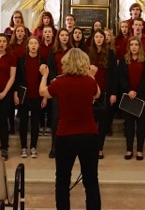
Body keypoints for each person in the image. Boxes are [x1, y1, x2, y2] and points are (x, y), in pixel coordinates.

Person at [39, 48, 102, 210]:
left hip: (65, 135)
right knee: (91, 180)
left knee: (62, 180)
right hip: (89, 135)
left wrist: (45, 75)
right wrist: (92, 75)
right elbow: (97, 94)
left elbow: (42, 92)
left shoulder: (60, 82)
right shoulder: (89, 82)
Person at [119, 36, 145, 160]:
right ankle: (129, 149)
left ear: (140, 46)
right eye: (132, 44)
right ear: (129, 46)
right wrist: (129, 91)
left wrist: (137, 92)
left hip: (142, 96)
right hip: (128, 96)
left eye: (136, 44)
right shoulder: (124, 59)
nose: (134, 47)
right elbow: (121, 77)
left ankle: (139, 150)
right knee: (128, 125)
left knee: (141, 125)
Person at [88, 29, 118, 158]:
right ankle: (91, 147)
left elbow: (114, 75)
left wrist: (113, 93)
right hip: (91, 92)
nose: (99, 39)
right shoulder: (89, 53)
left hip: (106, 91)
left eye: (101, 37)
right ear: (93, 39)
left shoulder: (110, 53)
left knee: (103, 122)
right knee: (91, 122)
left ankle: (99, 148)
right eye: (96, 37)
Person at [15, 36, 46, 158]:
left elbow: (46, 80)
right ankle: (23, 147)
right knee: (23, 122)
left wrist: (45, 97)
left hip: (37, 95)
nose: (33, 45)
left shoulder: (43, 61)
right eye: (31, 43)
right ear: (27, 46)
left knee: (35, 122)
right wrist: (15, 93)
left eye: (35, 43)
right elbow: (17, 78)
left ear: (38, 46)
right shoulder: (21, 60)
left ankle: (33, 147)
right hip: (24, 95)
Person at [46, 28, 72, 158]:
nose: (64, 37)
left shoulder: (73, 51)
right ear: (58, 37)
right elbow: (50, 68)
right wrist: (53, 78)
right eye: (62, 35)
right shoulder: (53, 51)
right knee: (56, 118)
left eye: (66, 35)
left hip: (71, 87)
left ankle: (69, 147)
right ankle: (54, 146)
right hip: (58, 87)